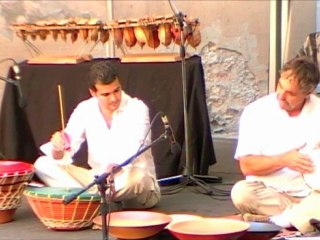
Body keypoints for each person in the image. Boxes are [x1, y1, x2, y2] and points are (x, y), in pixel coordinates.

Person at [34, 61, 160, 209]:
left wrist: (111, 168)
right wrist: (58, 148)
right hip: (97, 180)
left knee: (138, 178)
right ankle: (92, 200)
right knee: (42, 164)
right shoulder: (85, 109)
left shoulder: (137, 108)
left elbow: (136, 148)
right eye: (106, 94)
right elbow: (67, 147)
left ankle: (86, 200)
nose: (113, 98)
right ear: (93, 93)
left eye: (116, 91)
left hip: (128, 179)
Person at [231, 56, 320, 234]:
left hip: (313, 194)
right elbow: (247, 166)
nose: (281, 95)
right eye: (280, 86)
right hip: (272, 194)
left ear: (308, 92)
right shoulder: (256, 111)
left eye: (291, 93)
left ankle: (277, 220)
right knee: (241, 193)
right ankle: (302, 219)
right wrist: (283, 160)